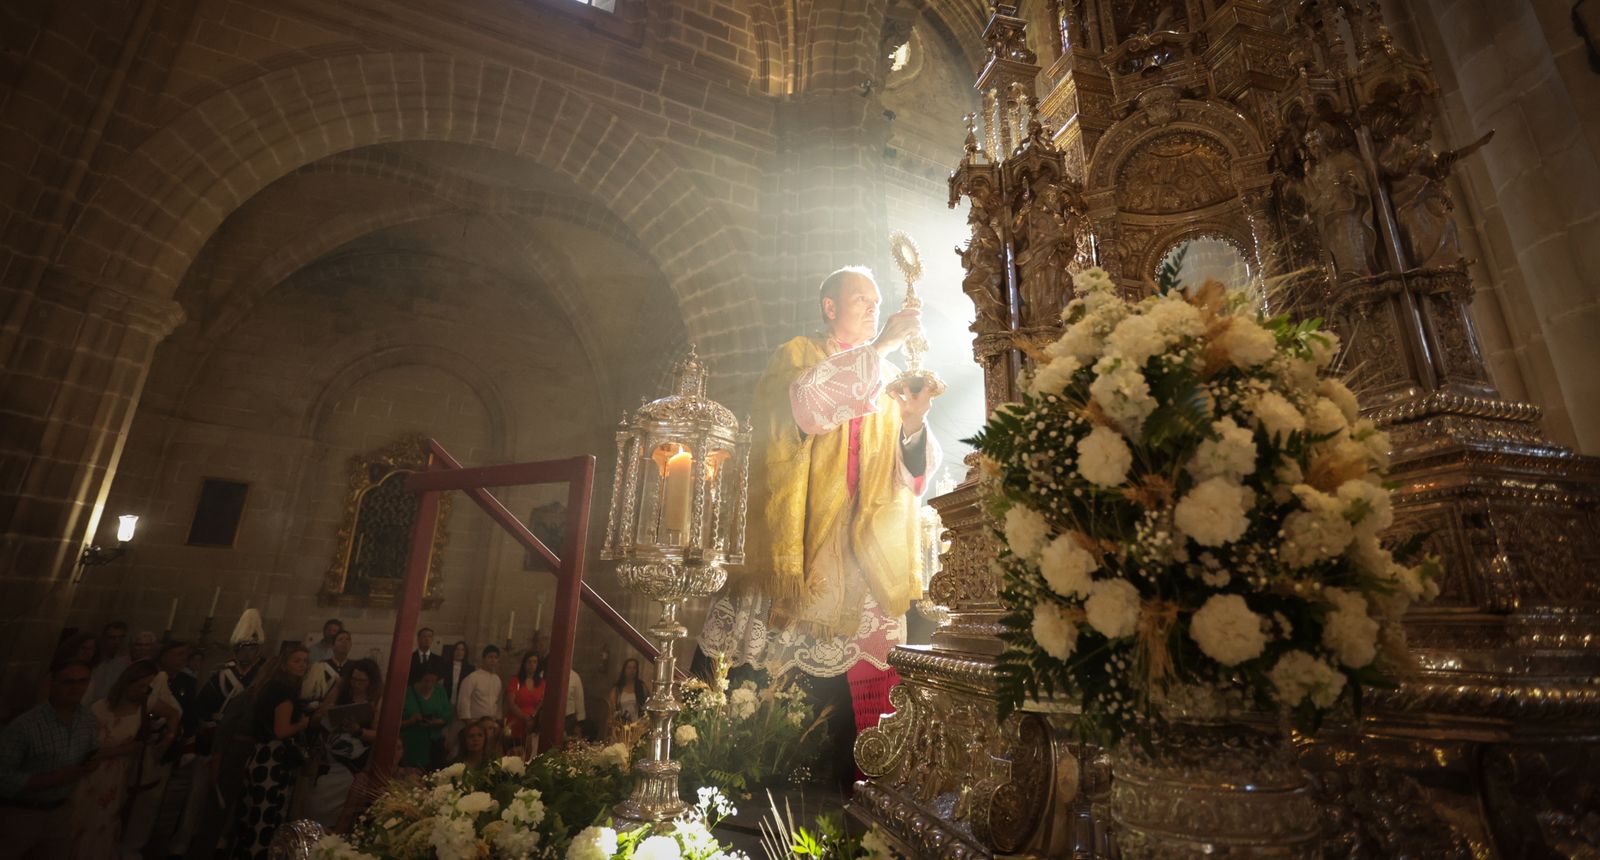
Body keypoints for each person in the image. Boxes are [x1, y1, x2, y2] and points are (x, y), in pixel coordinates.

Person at [696, 265, 938, 787]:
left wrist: (914, 424)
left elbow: (911, 476)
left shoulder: (885, 378)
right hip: (804, 539)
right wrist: (884, 344)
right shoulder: (798, 354)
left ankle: (863, 787)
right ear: (830, 307)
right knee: (782, 682)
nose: (873, 308)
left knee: (870, 681)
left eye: (877, 302)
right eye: (861, 299)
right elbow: (806, 409)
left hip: (866, 545)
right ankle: (763, 784)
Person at [171, 609, 266, 860]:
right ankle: (184, 839)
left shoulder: (260, 677)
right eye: (244, 648)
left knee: (231, 795)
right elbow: (202, 707)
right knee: (198, 793)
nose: (248, 653)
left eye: (253, 649)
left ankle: (221, 839)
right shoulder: (222, 674)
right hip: (214, 738)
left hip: (240, 743)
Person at [0, 660, 99, 860]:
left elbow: (91, 750)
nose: (76, 688)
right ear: (52, 683)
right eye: (68, 682)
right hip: (21, 812)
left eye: (82, 681)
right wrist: (52, 779)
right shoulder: (25, 725)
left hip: (60, 811)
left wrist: (91, 763)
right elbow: (3, 776)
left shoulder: (88, 720)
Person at [69, 660, 164, 858]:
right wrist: (120, 750)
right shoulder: (99, 708)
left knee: (102, 824)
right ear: (128, 682)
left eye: (147, 687)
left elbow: (172, 716)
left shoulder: (141, 711)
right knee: (79, 820)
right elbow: (83, 745)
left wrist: (167, 738)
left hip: (116, 778)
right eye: (140, 686)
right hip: (89, 774)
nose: (143, 691)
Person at [232, 645, 311, 859]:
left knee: (250, 814)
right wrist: (302, 724)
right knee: (265, 817)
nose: (302, 665)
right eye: (297, 660)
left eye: (305, 661)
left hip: (259, 754)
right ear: (284, 664)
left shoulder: (268, 688)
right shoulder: (283, 691)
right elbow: (281, 730)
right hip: (273, 759)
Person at [122, 641, 189, 856]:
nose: (183, 659)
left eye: (185, 655)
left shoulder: (185, 681)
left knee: (148, 801)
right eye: (178, 654)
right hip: (135, 749)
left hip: (157, 750)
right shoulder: (154, 678)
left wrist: (169, 737)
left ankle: (133, 845)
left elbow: (177, 713)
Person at [302, 659, 380, 829]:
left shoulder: (376, 700)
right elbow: (320, 716)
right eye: (354, 679)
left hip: (352, 765)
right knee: (316, 804)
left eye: (361, 681)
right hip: (328, 761)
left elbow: (379, 734)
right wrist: (327, 712)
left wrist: (358, 731)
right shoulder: (341, 690)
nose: (356, 684)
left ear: (371, 682)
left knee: (343, 813)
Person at [399, 667, 450, 770]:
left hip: (433, 742)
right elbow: (394, 722)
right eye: (426, 681)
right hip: (411, 741)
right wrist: (411, 721)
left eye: (433, 681)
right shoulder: (407, 692)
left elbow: (447, 715)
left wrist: (436, 722)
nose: (429, 685)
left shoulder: (440, 691)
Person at [504, 653, 545, 754]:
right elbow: (511, 703)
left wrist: (533, 717)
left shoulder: (541, 683)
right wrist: (525, 718)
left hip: (533, 724)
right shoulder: (515, 680)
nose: (532, 665)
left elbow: (542, 702)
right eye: (529, 662)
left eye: (534, 662)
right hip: (516, 721)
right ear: (524, 664)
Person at [456, 645, 503, 723]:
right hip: (475, 721)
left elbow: (498, 702)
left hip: (492, 721)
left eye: (496, 657)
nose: (493, 660)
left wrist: (498, 718)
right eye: (490, 657)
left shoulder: (497, 679)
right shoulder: (472, 678)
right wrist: (468, 721)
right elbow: (464, 700)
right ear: (483, 658)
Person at [86, 621, 130, 705]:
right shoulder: (93, 660)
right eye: (112, 638)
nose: (117, 642)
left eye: (121, 638)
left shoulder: (124, 663)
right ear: (104, 638)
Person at [607, 658, 649, 734]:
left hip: (638, 726)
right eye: (629, 668)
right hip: (621, 727)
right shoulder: (617, 689)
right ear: (624, 670)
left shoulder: (642, 687)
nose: (631, 671)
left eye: (634, 668)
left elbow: (648, 705)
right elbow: (611, 710)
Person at [565, 667, 587, 739]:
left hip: (568, 719)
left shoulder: (574, 677)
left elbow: (579, 702)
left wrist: (579, 725)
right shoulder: (547, 674)